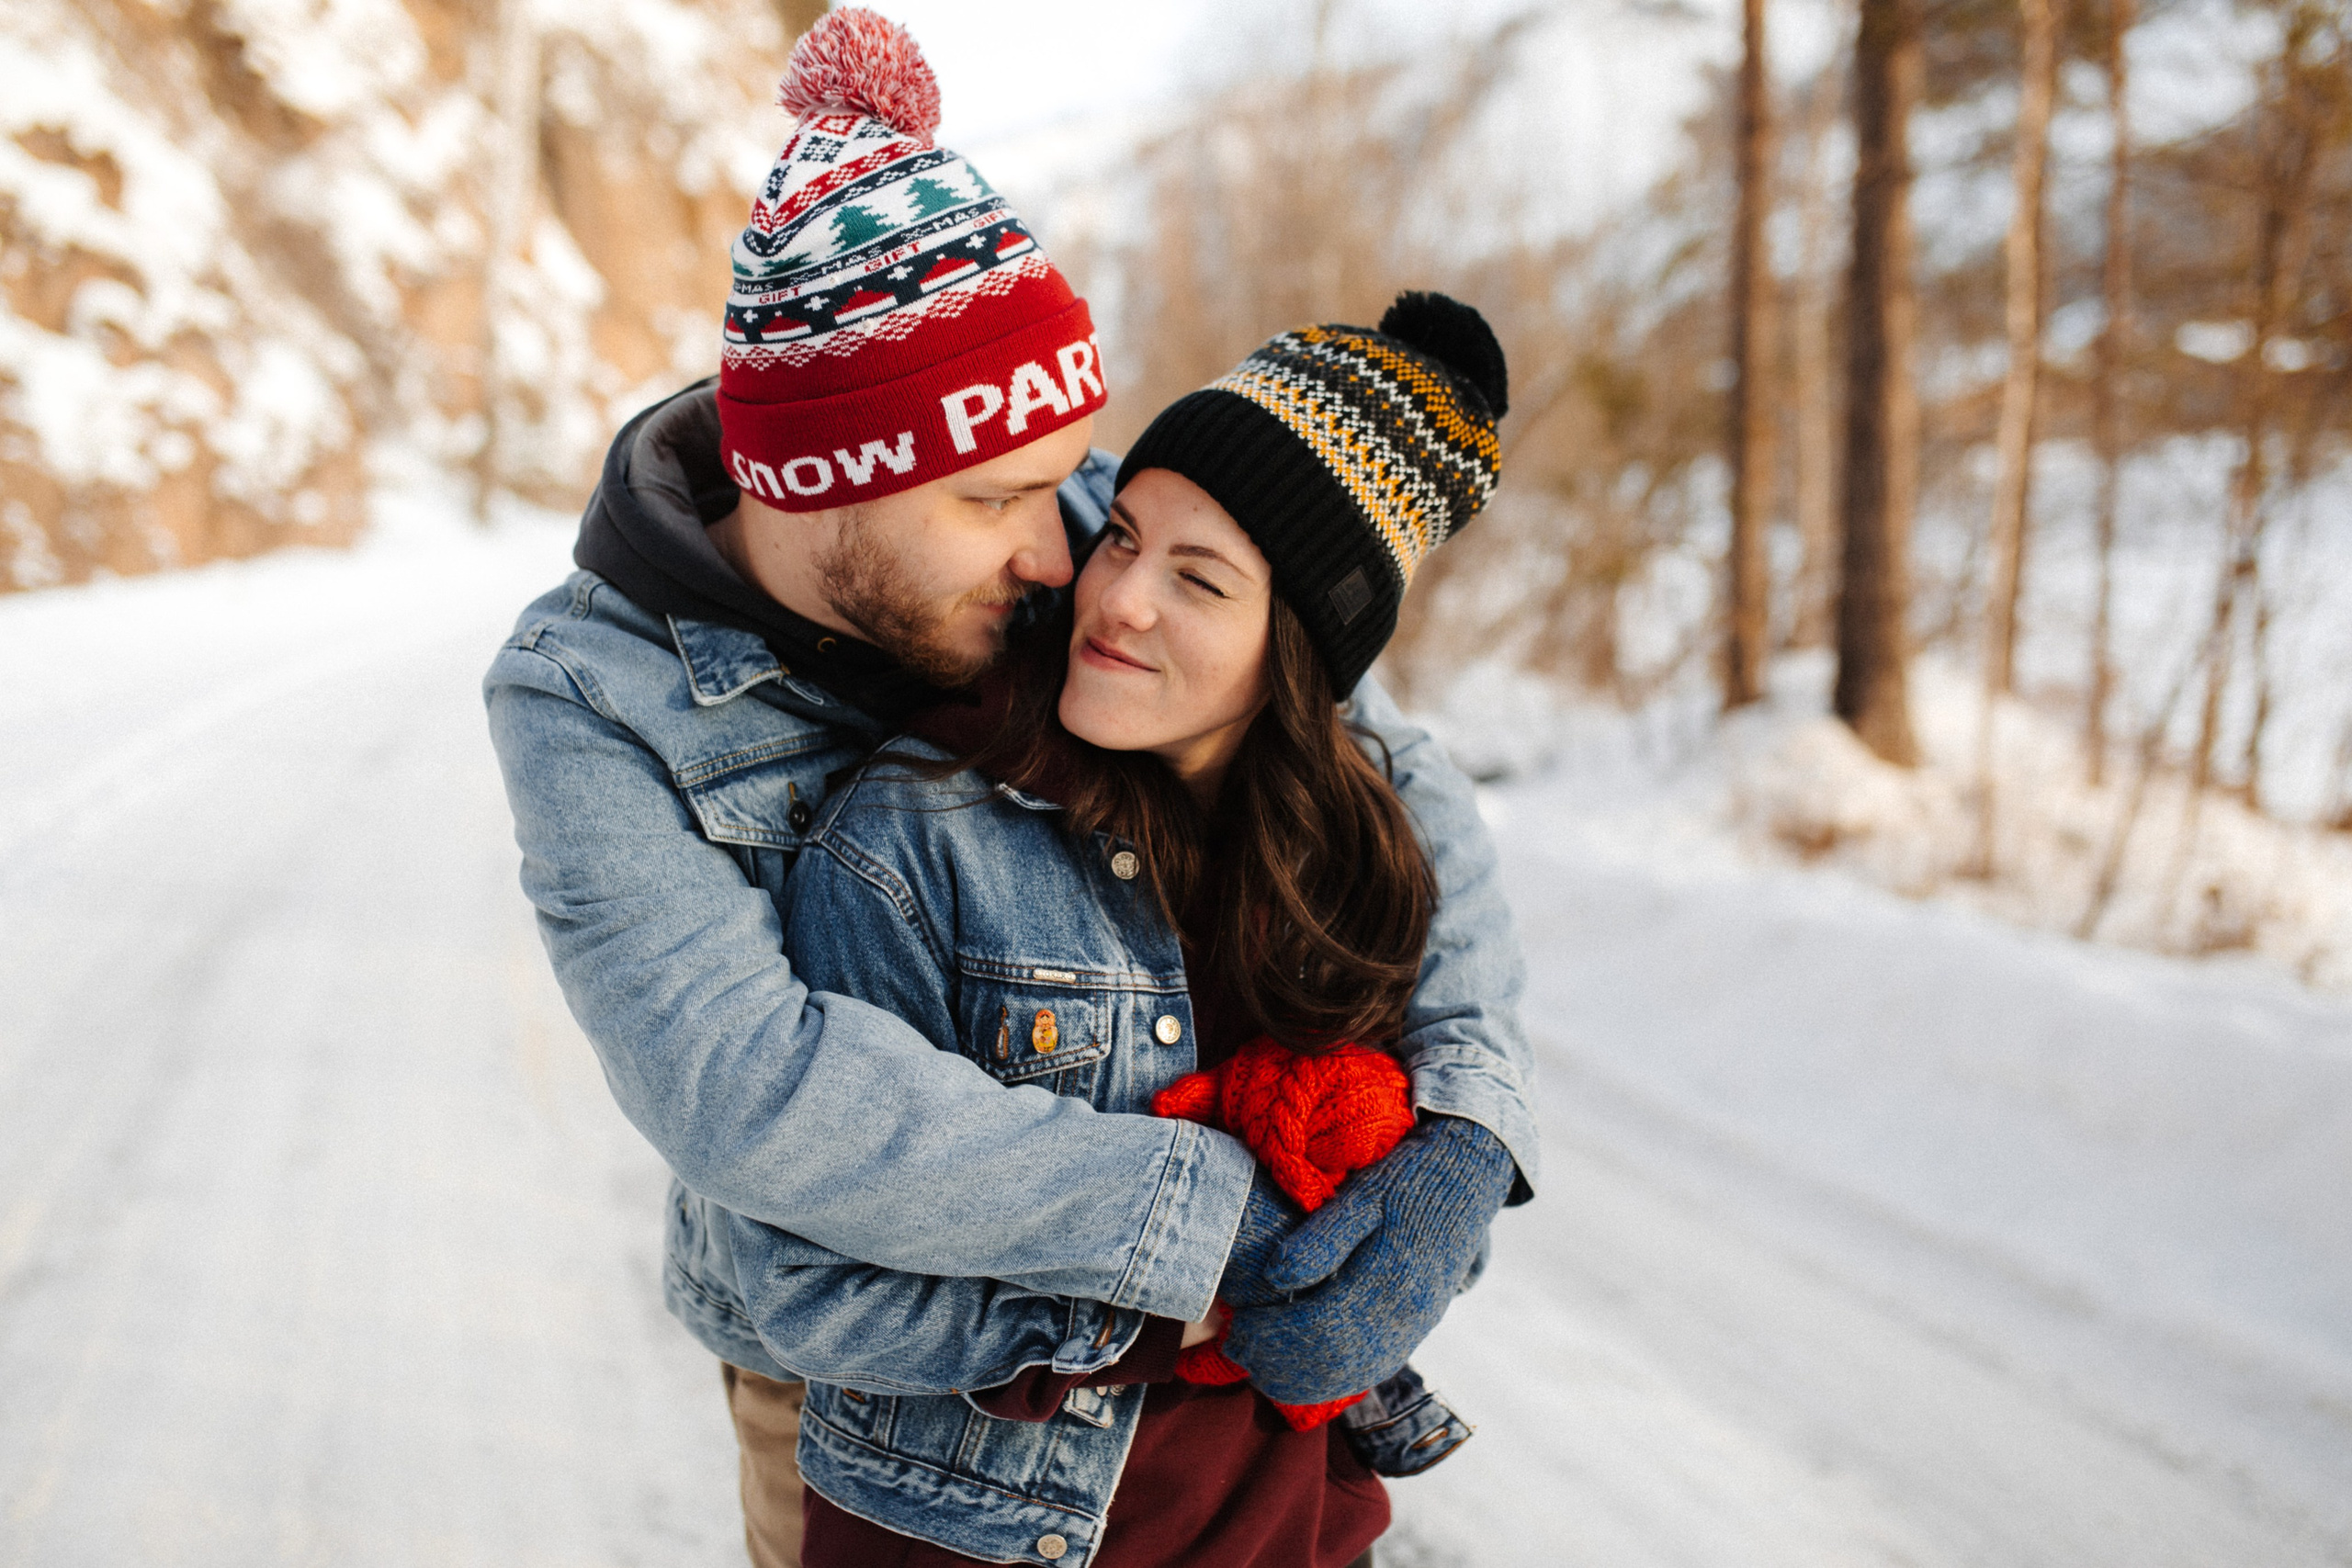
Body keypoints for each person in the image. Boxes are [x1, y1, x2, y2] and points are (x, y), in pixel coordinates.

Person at [480, 12, 1536, 1565]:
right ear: (830, 482)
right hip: (859, 1369)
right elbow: (753, 1096)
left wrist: (1462, 1123)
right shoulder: (591, 695)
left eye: (1067, 486)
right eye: (999, 503)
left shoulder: (1087, 525)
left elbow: (1379, 762)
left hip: (1185, 1394)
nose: (1067, 557)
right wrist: (1223, 1225)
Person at [730, 293, 1519, 1568]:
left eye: (1198, 579)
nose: (1121, 600)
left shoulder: (1360, 861)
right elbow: (813, 1294)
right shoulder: (919, 834)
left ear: (1300, 654)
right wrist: (1183, 1301)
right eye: (1127, 539)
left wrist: (1424, 1232)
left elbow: (1398, 1230)